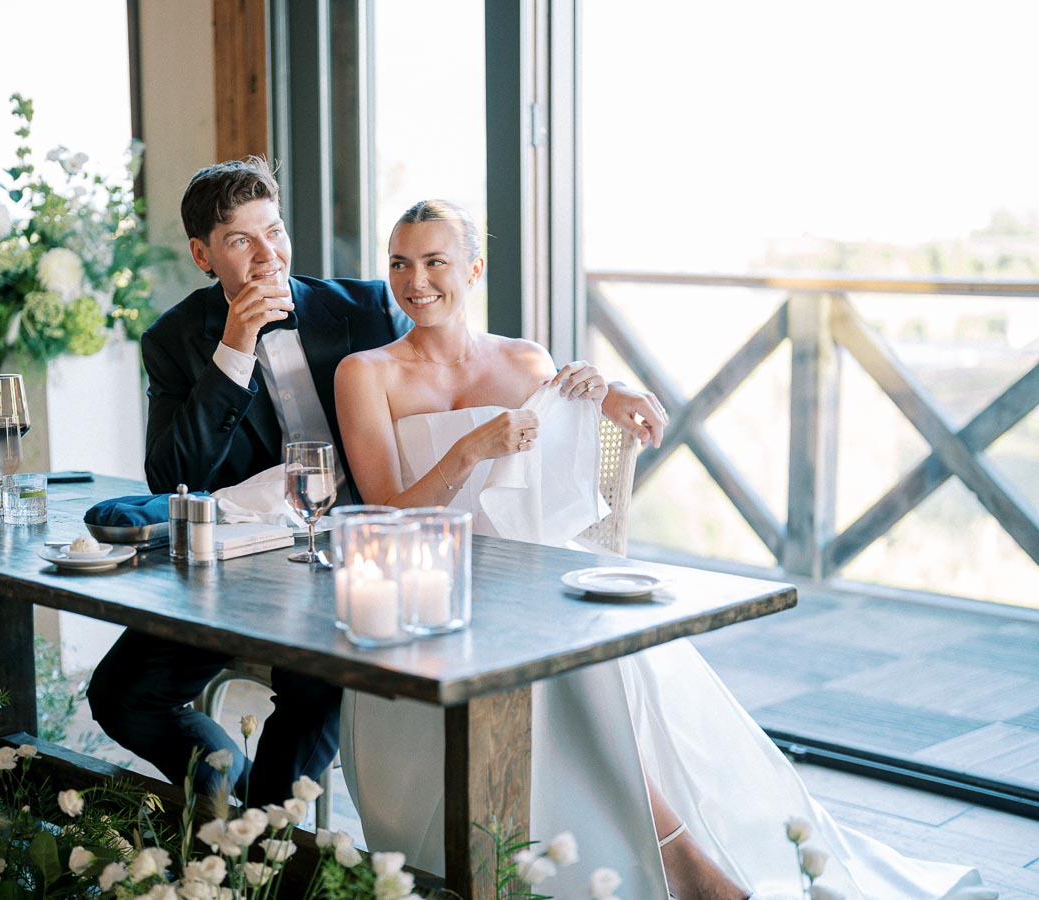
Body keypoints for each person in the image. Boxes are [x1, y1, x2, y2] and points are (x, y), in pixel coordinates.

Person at [333, 199, 992, 900]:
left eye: (436, 261)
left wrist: (604, 395)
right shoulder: (365, 373)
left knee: (588, 650)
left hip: (532, 577)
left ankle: (683, 856)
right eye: (400, 263)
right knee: (565, 660)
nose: (416, 281)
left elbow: (557, 464)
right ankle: (684, 866)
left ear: (473, 267)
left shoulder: (525, 359)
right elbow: (384, 516)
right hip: (433, 594)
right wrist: (468, 451)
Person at [87, 158, 664, 807]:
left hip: (366, 558)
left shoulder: (360, 307)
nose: (264, 255)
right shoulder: (173, 340)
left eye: (272, 231)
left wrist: (599, 388)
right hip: (238, 564)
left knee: (314, 690)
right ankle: (229, 795)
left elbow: (457, 367)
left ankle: (271, 837)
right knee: (119, 692)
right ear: (203, 254)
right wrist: (235, 348)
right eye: (239, 241)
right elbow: (172, 478)